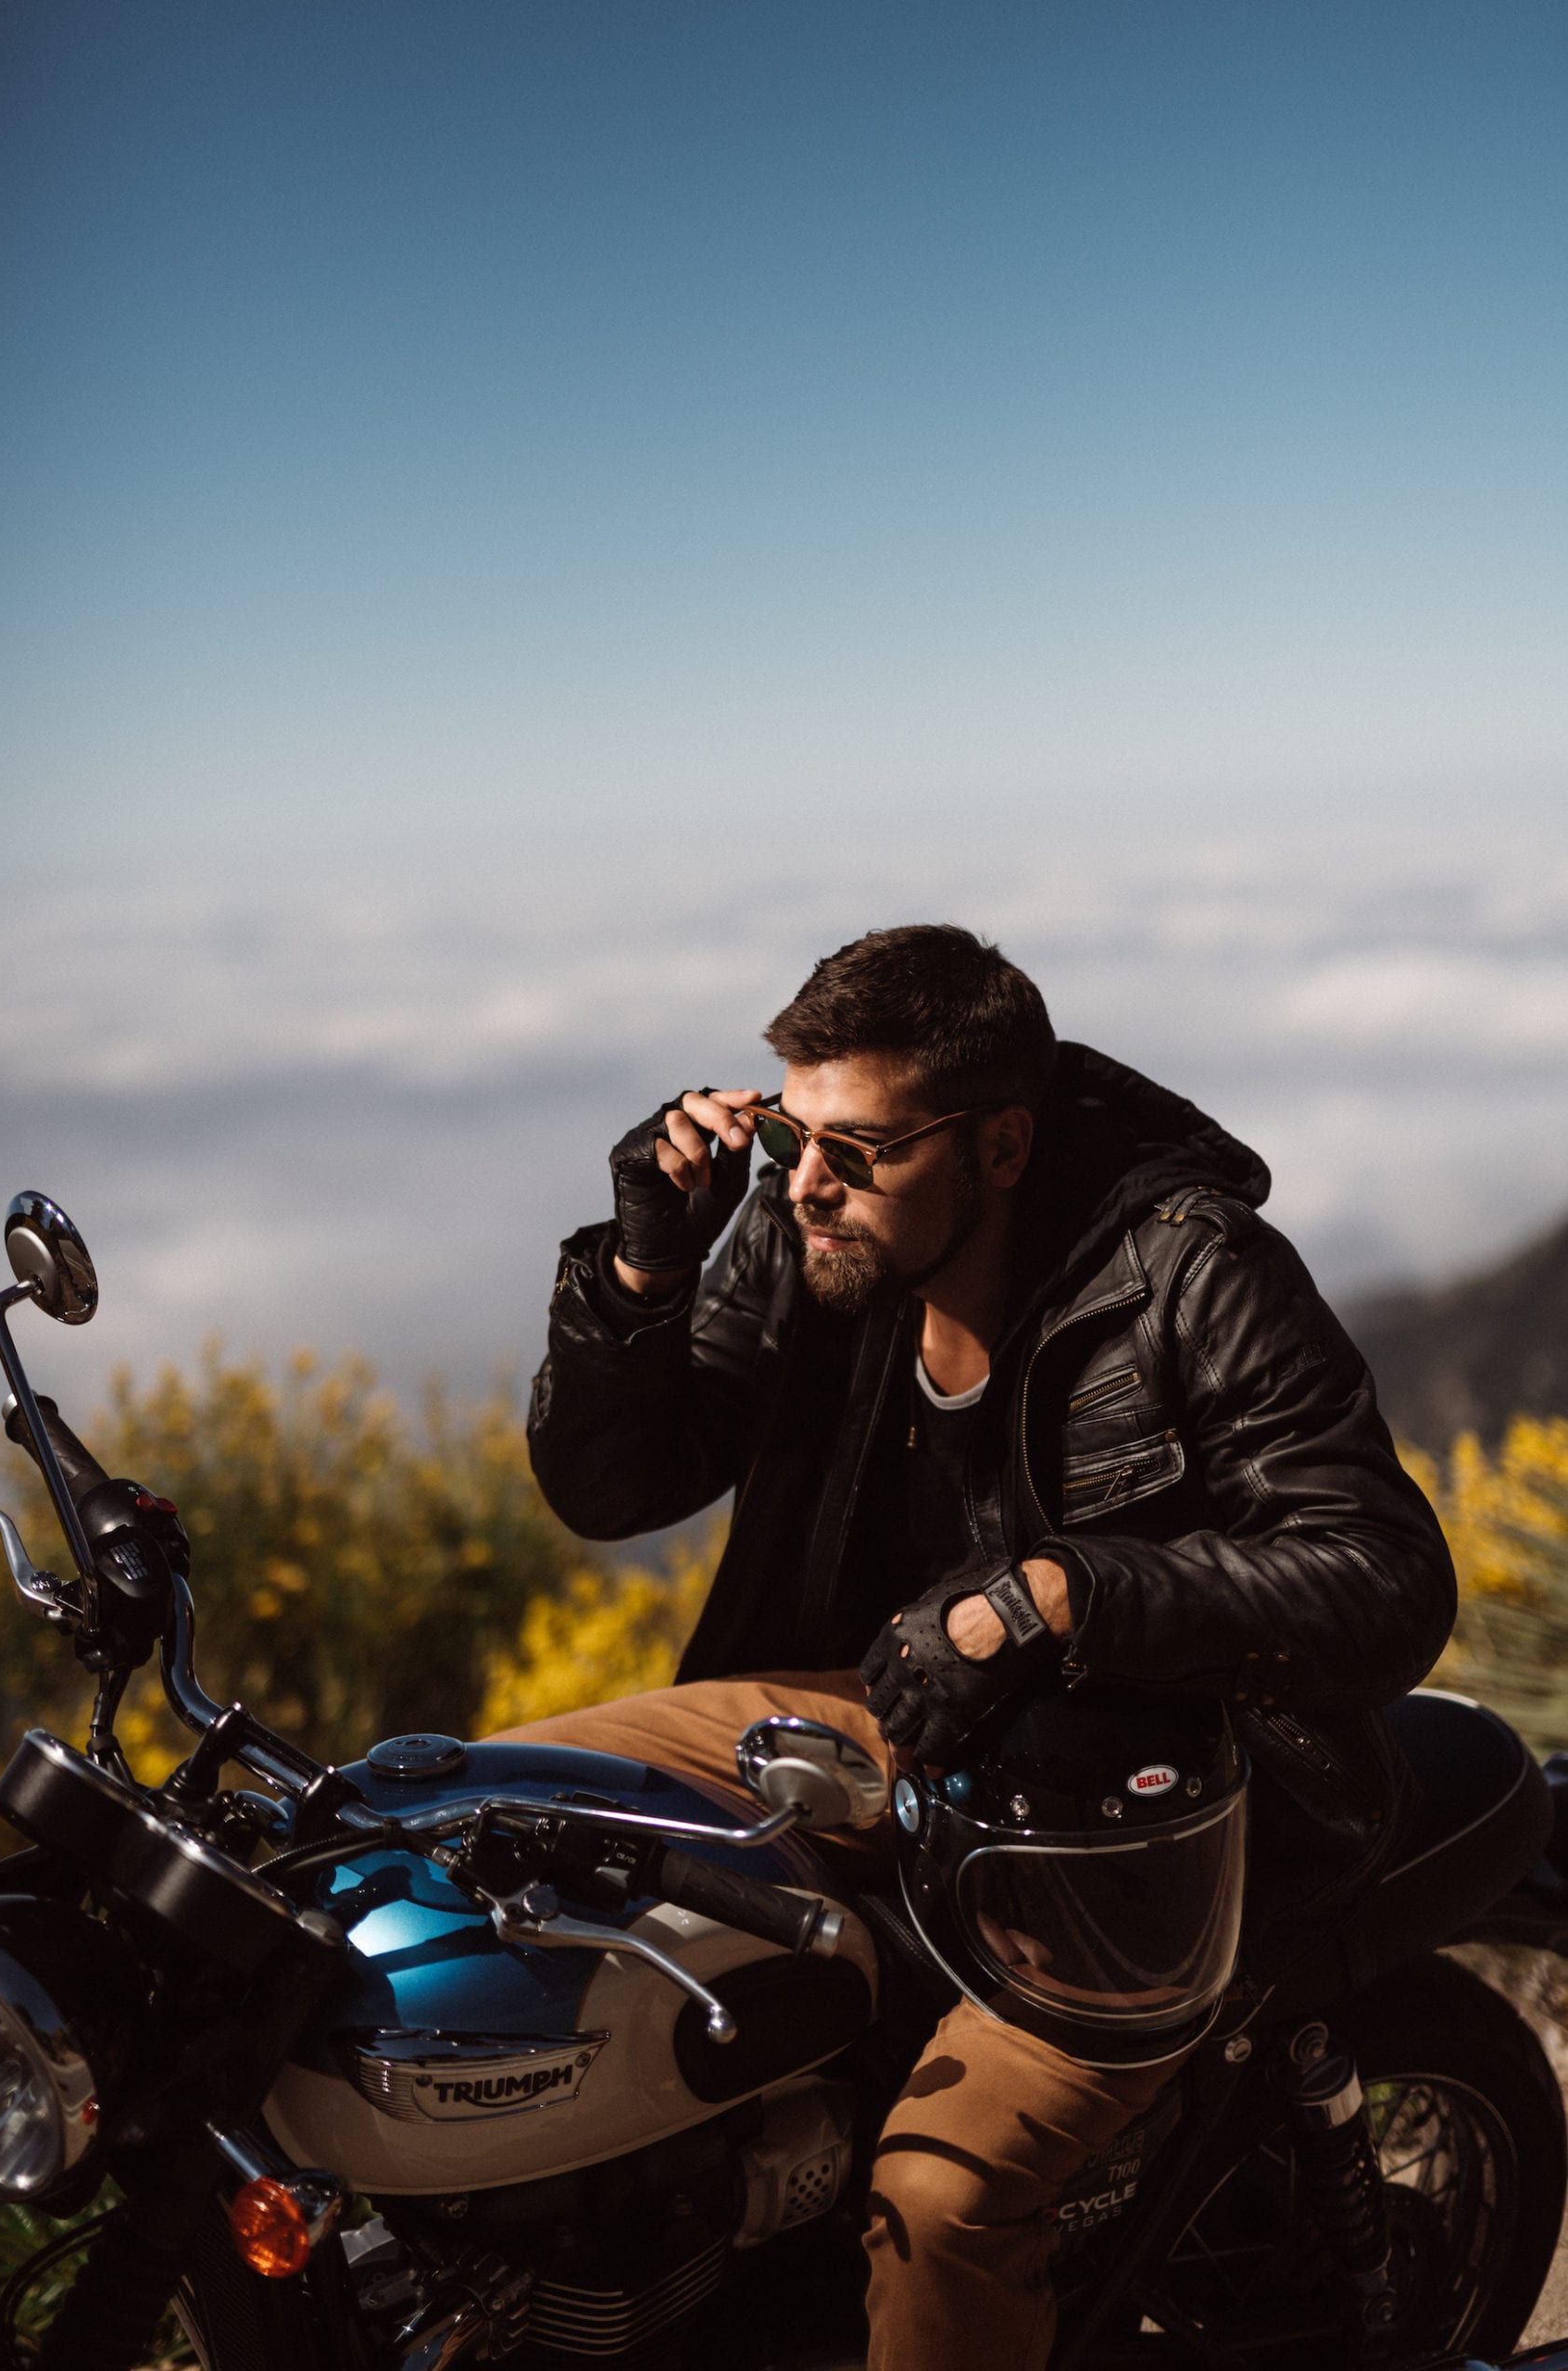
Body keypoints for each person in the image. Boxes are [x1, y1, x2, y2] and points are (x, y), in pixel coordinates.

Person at [506, 923, 1456, 2369]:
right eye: (786, 1133)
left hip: (1139, 1810)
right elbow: (611, 1491)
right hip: (881, 1723)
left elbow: (1385, 1578)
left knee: (940, 2210)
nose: (809, 1183)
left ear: (999, 1145)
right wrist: (640, 1273)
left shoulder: (1185, 1268)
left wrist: (1061, 1599)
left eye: (860, 1150)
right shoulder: (811, 1234)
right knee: (482, 1798)